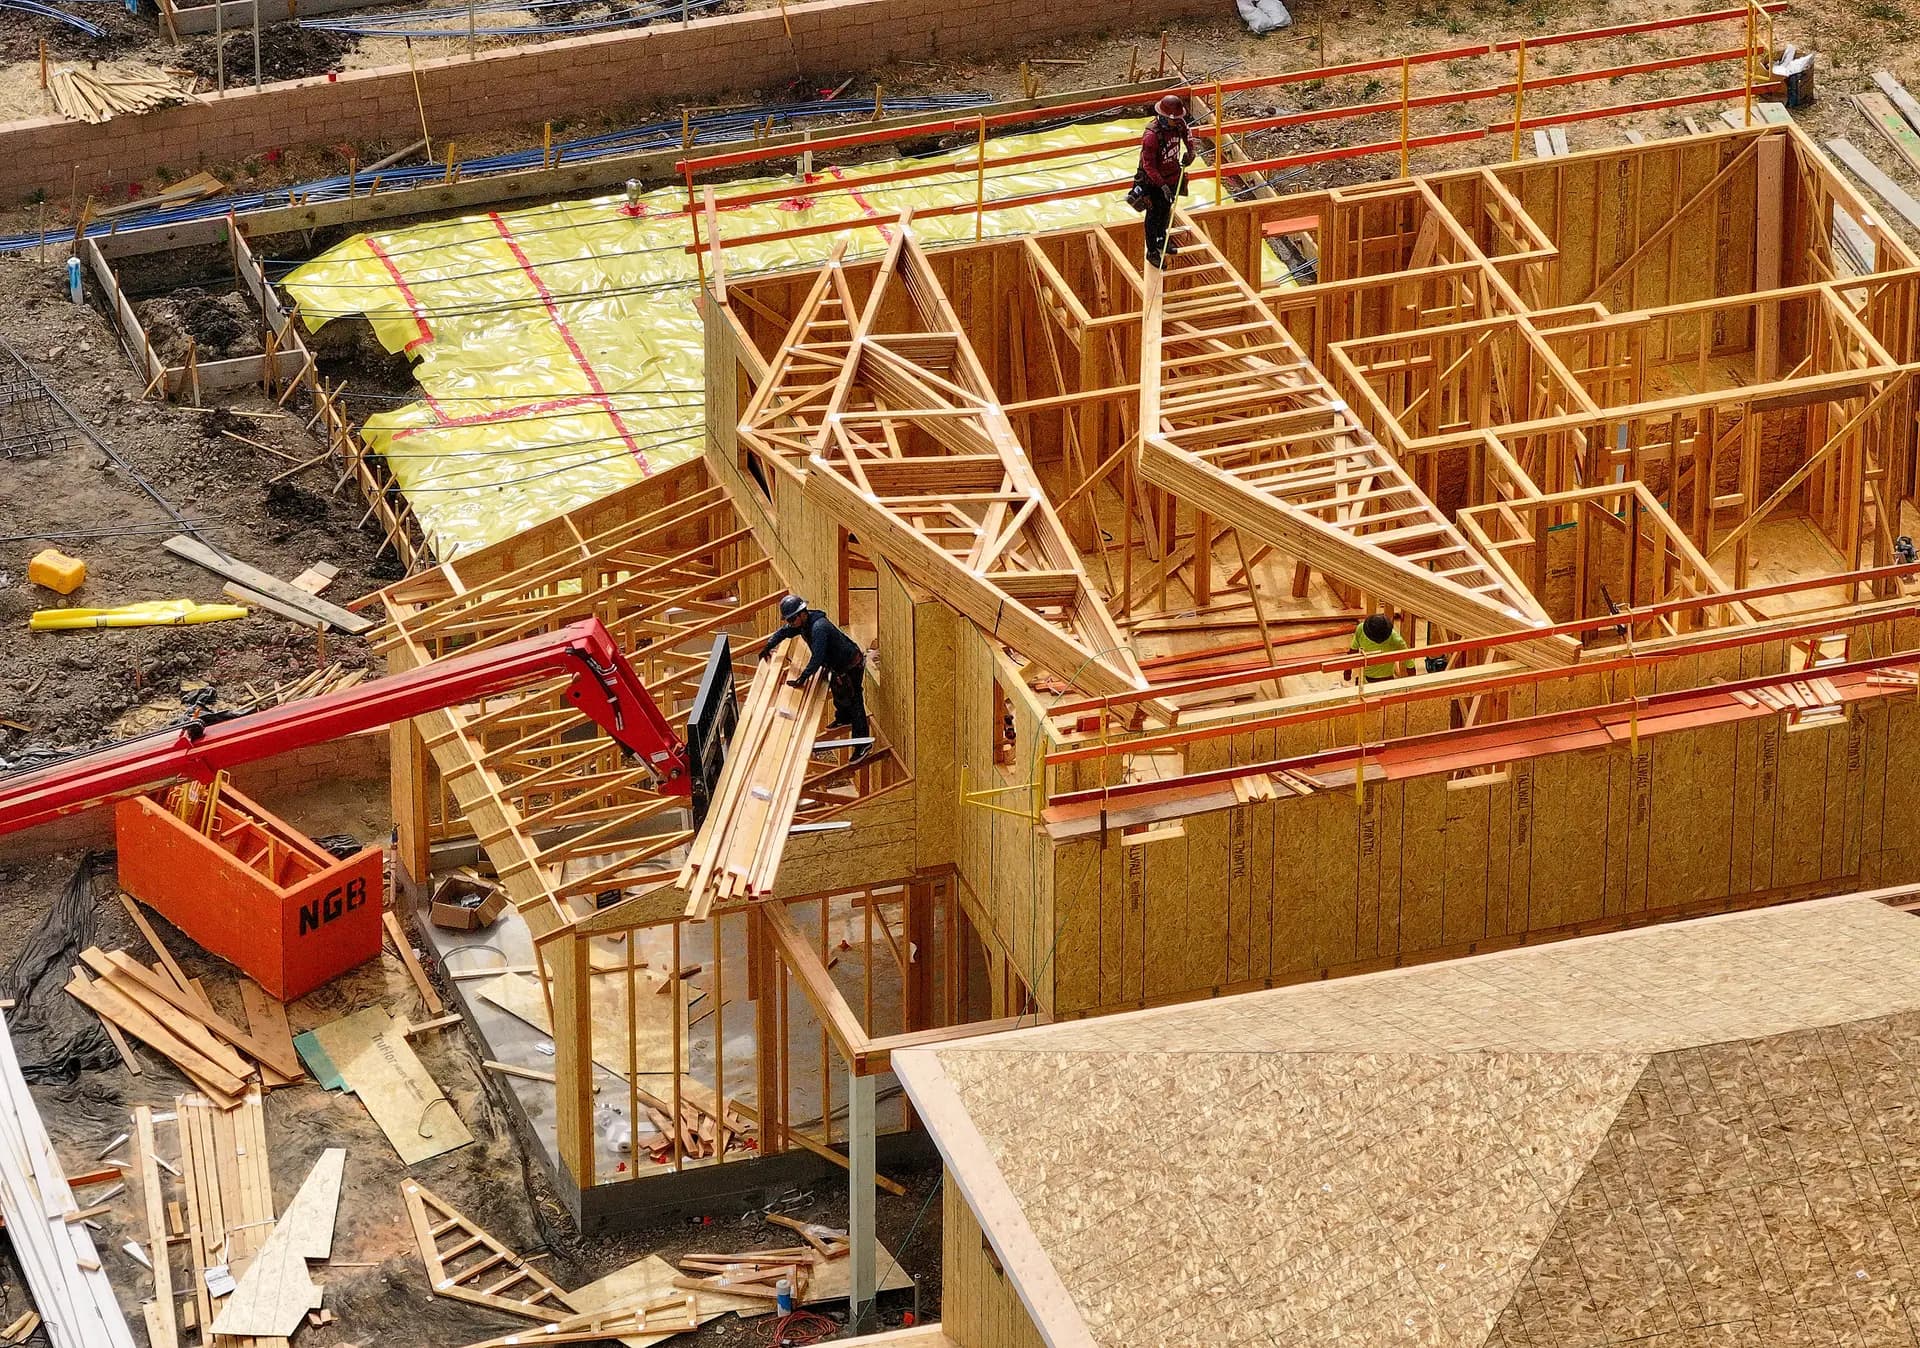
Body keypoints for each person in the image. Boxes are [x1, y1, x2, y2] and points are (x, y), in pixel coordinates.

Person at [760, 594, 870, 757]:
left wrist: (803, 677)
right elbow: (784, 632)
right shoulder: (802, 624)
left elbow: (817, 657)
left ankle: (863, 744)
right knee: (838, 691)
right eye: (789, 620)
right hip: (837, 664)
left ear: (802, 614)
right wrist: (768, 645)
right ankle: (843, 718)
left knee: (854, 700)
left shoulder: (819, 627)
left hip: (851, 664)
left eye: (791, 620)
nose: (790, 623)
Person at [1136, 93, 1200, 268]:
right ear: (1164, 117)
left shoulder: (1178, 124)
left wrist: (1191, 152)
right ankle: (1152, 251)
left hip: (1171, 176)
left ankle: (1162, 240)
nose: (1179, 121)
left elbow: (1187, 133)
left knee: (1165, 211)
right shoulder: (1151, 136)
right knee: (1153, 215)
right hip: (1152, 182)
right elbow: (1148, 166)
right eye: (1175, 119)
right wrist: (1161, 185)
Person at [1346, 613, 1409, 684]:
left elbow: (1409, 659)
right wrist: (1348, 670)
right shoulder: (1361, 629)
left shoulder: (1396, 640)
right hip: (1366, 678)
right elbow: (1353, 650)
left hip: (1386, 680)